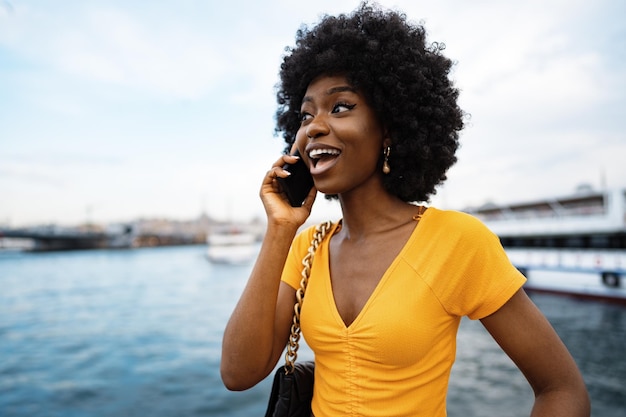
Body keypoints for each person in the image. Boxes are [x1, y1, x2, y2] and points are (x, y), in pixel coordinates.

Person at [221, 2, 590, 416]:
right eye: (305, 115)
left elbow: (562, 390)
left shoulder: (456, 241)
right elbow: (238, 374)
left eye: (340, 106)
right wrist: (279, 228)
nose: (314, 127)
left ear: (391, 128)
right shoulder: (306, 246)